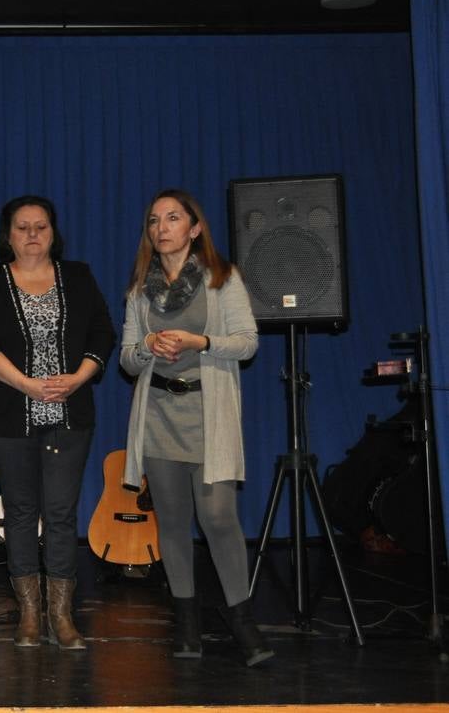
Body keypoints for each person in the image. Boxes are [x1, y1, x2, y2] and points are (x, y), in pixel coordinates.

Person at [119, 189, 273, 666]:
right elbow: (127, 359)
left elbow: (247, 343)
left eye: (172, 218)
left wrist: (199, 341)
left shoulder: (222, 279)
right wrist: (148, 345)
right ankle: (186, 621)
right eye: (153, 220)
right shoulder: (139, 288)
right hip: (160, 416)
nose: (161, 227)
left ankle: (241, 620)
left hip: (209, 415)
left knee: (220, 518)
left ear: (194, 228)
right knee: (172, 522)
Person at [0, 195, 115, 650]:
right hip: (8, 414)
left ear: (54, 233)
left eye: (41, 227)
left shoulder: (79, 276)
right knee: (22, 513)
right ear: (7, 235)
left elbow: (103, 333)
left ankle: (63, 616)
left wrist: (78, 378)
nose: (32, 235)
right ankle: (29, 615)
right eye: (22, 227)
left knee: (63, 515)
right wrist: (26, 384)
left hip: (70, 414)